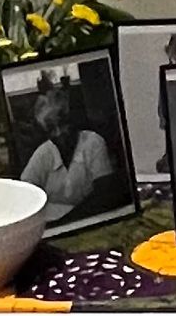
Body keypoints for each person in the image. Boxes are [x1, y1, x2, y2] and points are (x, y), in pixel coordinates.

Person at [18, 84, 116, 224]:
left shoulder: (93, 141)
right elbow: (25, 193)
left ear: (71, 119)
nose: (59, 133)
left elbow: (104, 192)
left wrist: (67, 221)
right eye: (51, 128)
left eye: (63, 124)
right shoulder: (43, 152)